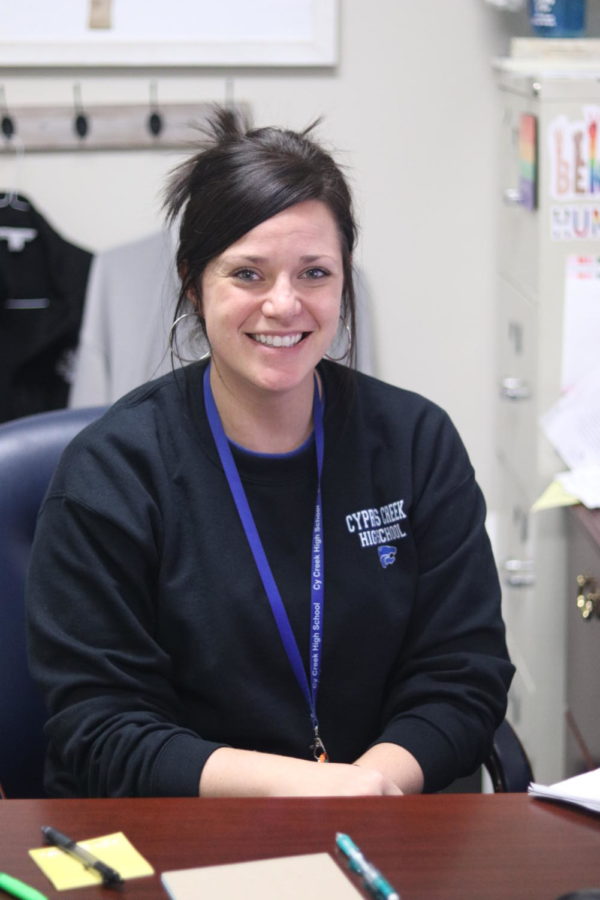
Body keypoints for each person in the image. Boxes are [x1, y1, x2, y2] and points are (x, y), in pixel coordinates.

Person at [26, 107, 514, 799]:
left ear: (345, 282)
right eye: (248, 274)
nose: (284, 305)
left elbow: (463, 675)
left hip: (385, 820)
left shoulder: (415, 443)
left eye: (314, 273)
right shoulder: (111, 472)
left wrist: (369, 787)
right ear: (194, 283)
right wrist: (315, 790)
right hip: (184, 830)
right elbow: (103, 726)